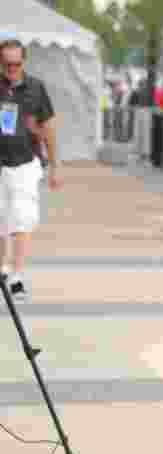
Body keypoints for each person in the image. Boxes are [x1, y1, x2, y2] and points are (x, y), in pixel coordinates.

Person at [0, 38, 61, 302]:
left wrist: (56, 165)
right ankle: (2, 269)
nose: (12, 69)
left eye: (16, 63)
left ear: (24, 61)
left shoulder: (36, 88)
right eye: (7, 64)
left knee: (22, 217)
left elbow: (48, 127)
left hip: (26, 162)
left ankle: (17, 276)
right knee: (1, 219)